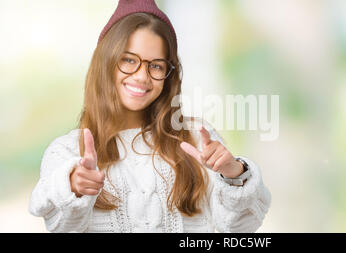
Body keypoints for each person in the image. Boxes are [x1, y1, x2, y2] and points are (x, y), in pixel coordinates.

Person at [28, 0, 271, 233]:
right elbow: (59, 226)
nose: (142, 77)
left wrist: (234, 174)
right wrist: (73, 188)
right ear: (105, 62)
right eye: (129, 60)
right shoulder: (68, 152)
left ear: (169, 73)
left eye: (156, 65)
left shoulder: (196, 139)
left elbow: (241, 228)